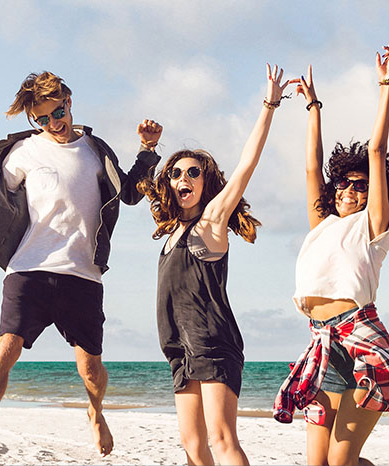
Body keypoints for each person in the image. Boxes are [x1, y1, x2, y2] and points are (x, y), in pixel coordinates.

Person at [0, 71, 162, 465]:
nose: (52, 123)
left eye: (57, 112)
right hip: (29, 267)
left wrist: (148, 148)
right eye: (42, 119)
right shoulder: (25, 151)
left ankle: (95, 411)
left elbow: (129, 193)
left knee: (91, 370)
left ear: (69, 101)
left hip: (82, 273)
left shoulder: (95, 150)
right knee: (5, 349)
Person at [273, 44, 389, 466]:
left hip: (359, 338)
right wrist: (314, 106)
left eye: (360, 185)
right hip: (319, 343)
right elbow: (310, 167)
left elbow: (375, 150)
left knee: (340, 463)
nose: (349, 190)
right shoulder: (322, 225)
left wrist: (387, 85)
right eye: (344, 184)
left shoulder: (373, 228)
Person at [138, 64, 287, 466]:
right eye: (176, 173)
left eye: (193, 172)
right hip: (179, 348)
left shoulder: (210, 222)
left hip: (212, 342)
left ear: (206, 182)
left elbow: (246, 166)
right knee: (192, 445)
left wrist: (269, 105)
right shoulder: (171, 232)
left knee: (221, 441)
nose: (183, 178)